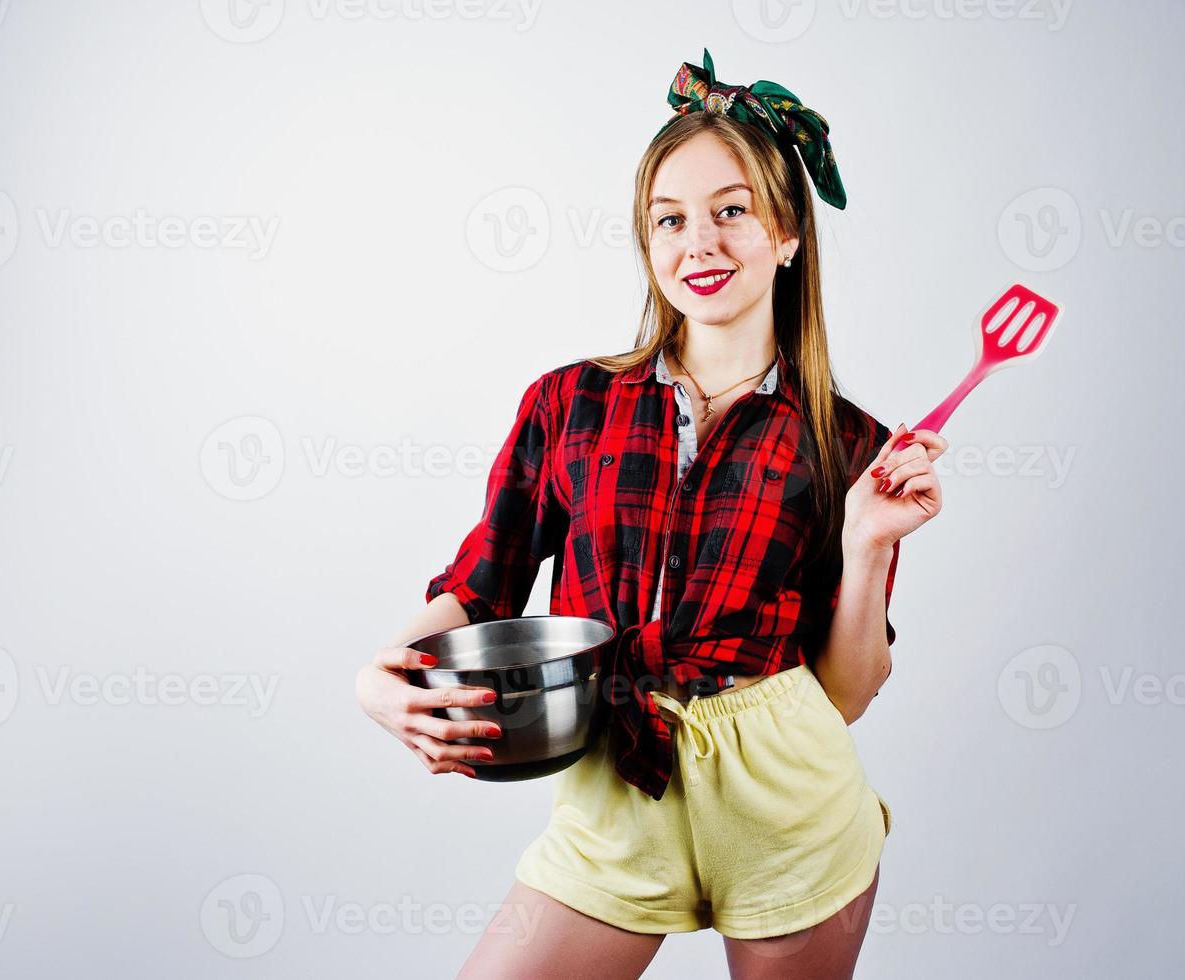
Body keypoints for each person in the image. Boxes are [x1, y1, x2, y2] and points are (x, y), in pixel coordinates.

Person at [356, 48, 947, 979]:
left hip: (789, 807)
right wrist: (379, 677)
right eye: (668, 219)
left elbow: (844, 693)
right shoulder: (568, 404)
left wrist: (868, 541)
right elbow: (482, 585)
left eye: (731, 212)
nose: (697, 244)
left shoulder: (849, 444)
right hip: (615, 790)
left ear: (787, 234)